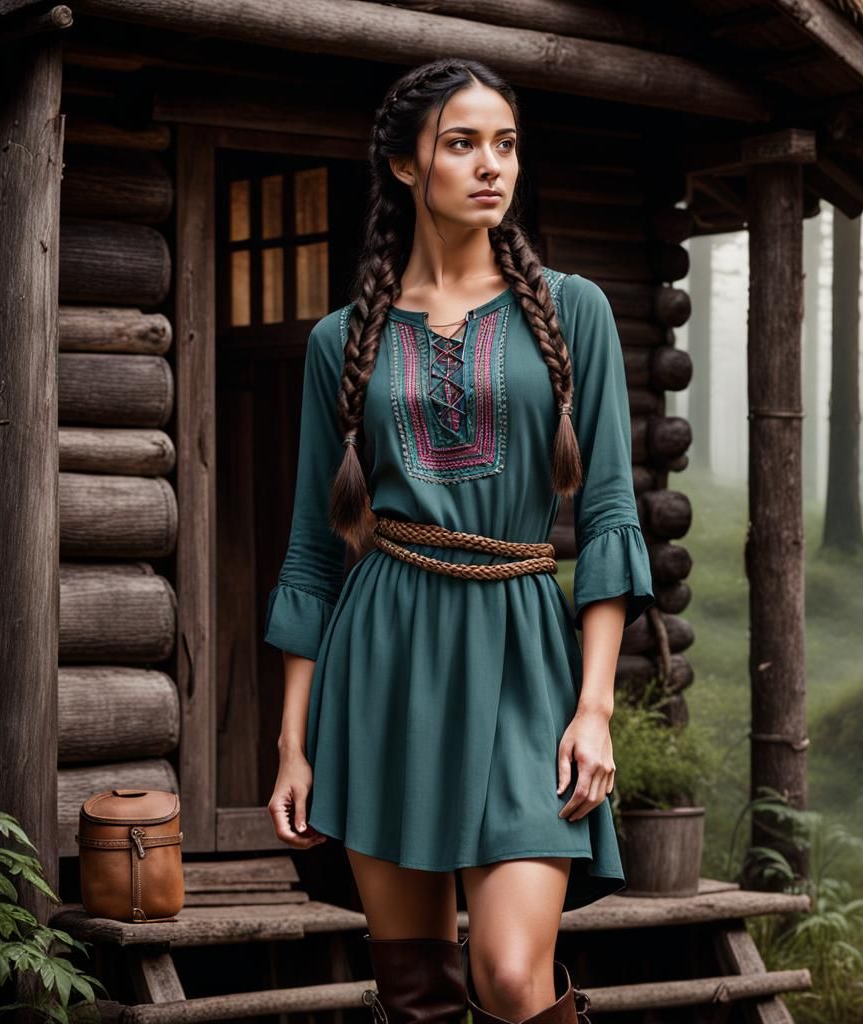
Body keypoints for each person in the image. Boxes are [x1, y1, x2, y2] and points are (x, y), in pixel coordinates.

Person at [264, 57, 654, 1024]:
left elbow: (608, 517)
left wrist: (595, 707)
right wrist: (292, 740)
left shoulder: (575, 310)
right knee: (417, 994)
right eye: (462, 142)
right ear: (405, 165)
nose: (492, 165)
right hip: (382, 662)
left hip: (525, 656)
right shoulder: (336, 343)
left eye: (506, 143)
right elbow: (316, 550)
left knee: (514, 978)